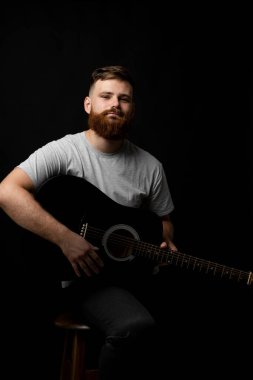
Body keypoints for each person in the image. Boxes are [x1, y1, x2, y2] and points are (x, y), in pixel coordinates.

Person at [0, 65, 177, 379]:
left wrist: (165, 242)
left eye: (124, 99)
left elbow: (163, 219)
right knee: (134, 327)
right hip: (80, 279)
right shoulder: (64, 152)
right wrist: (66, 240)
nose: (115, 104)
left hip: (131, 273)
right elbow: (7, 191)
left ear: (132, 108)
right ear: (88, 104)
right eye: (106, 96)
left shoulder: (151, 167)